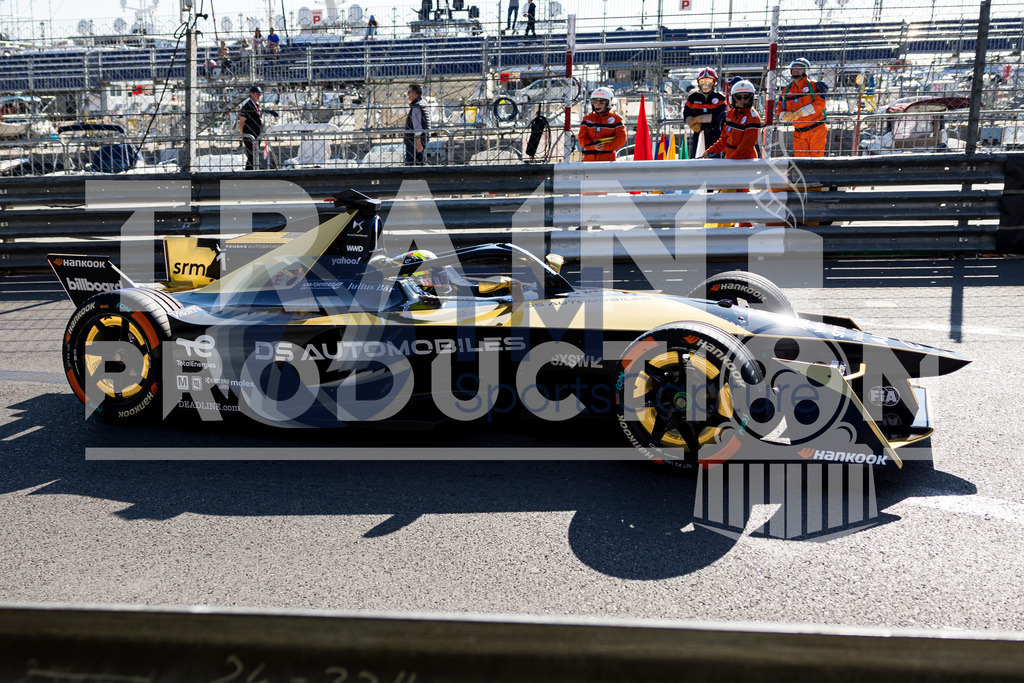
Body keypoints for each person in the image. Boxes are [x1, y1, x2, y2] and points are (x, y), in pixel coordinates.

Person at [776, 57, 828, 157]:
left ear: (806, 70)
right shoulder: (786, 91)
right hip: (799, 133)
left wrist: (799, 113)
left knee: (816, 160)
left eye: (799, 67)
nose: (795, 69)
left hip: (816, 130)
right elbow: (779, 110)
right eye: (794, 67)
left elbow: (820, 104)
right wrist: (786, 116)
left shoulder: (814, 86)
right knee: (800, 162)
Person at [701, 79, 760, 160]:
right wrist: (709, 151)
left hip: (746, 160)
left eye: (746, 97)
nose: (742, 100)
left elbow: (746, 146)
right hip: (730, 157)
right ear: (733, 98)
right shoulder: (730, 114)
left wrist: (731, 161)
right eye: (738, 97)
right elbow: (724, 140)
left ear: (752, 97)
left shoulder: (753, 117)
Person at [683, 67, 726, 159]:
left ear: (714, 83)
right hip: (698, 133)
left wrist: (700, 119)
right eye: (702, 81)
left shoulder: (720, 98)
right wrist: (690, 121)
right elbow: (686, 113)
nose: (705, 85)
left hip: (715, 135)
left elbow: (720, 116)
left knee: (715, 160)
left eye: (709, 81)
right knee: (697, 159)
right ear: (698, 83)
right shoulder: (692, 98)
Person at [577, 87, 626, 162]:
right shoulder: (587, 118)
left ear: (608, 102)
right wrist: (593, 146)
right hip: (589, 160)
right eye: (594, 101)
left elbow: (621, 139)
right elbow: (582, 139)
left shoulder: (616, 119)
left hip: (608, 160)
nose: (598, 104)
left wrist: (604, 147)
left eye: (601, 102)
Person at [239, 85, 264, 170]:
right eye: (257, 94)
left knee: (254, 154)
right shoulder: (247, 106)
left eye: (260, 94)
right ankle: (249, 171)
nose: (259, 96)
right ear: (251, 94)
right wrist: (241, 133)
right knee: (251, 154)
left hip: (256, 134)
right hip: (249, 134)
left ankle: (252, 170)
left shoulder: (256, 105)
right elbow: (242, 121)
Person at [404, 83, 429, 166]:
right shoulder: (424, 103)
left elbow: (417, 125)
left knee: (412, 164)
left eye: (409, 92)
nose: (407, 95)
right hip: (423, 139)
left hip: (413, 141)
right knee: (420, 162)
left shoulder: (416, 106)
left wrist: (417, 141)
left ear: (414, 93)